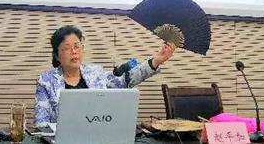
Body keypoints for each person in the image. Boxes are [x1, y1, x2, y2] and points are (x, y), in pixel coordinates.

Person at [34, 25, 175, 126]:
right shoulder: (46, 81)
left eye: (77, 46)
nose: (73, 51)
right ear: (57, 55)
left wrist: (156, 61)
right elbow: (41, 123)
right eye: (66, 48)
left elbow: (125, 80)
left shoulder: (95, 72)